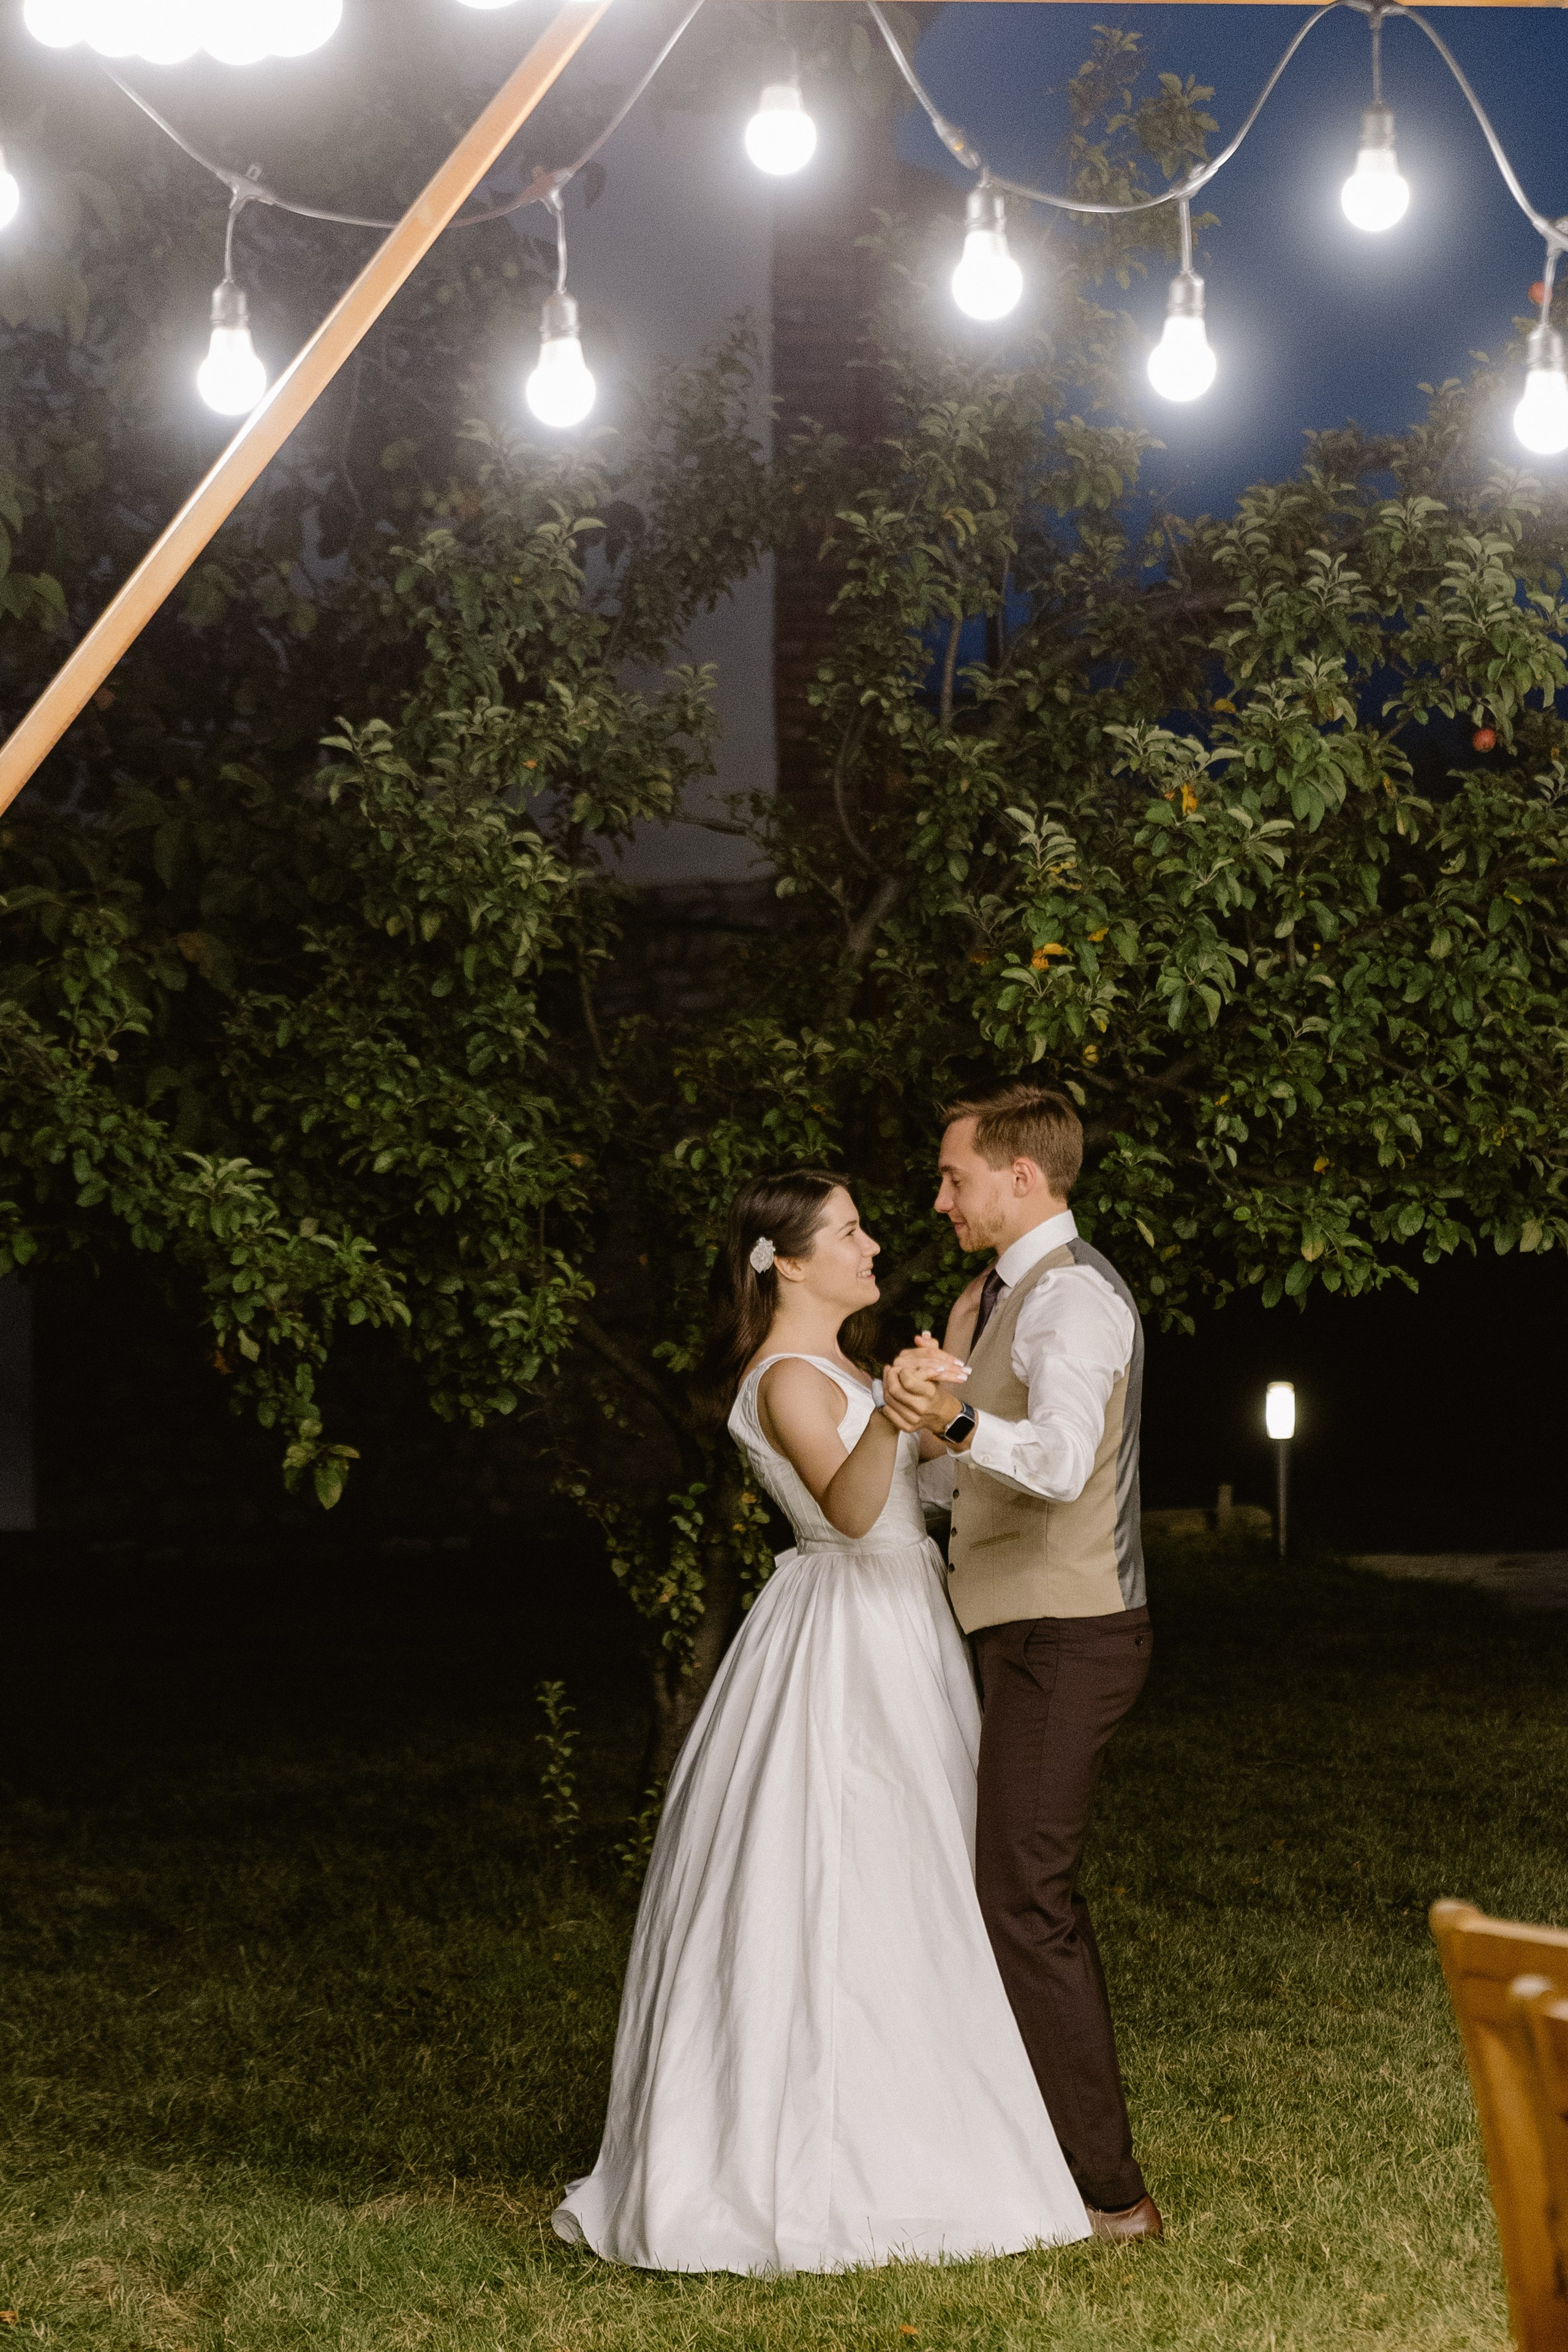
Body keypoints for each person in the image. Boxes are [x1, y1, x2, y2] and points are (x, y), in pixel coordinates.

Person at [552, 1167, 1090, 2275]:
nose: (873, 1244)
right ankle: (818, 2149)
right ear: (788, 1262)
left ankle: (934, 2108)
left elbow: (914, 1495)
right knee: (843, 1865)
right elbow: (848, 1512)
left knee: (928, 1866)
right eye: (849, 1232)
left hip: (906, 1618)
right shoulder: (785, 1376)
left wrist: (942, 1417)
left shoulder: (844, 1365)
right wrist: (898, 1420)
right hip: (843, 1629)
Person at [882, 1080, 1160, 2242]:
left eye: (955, 1177)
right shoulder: (983, 1298)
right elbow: (962, 1480)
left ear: (1021, 1177)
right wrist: (903, 1422)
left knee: (1024, 1897)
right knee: (1017, 1888)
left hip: (1071, 1630)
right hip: (1010, 1625)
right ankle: (1035, 2150)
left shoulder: (1074, 1300)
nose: (941, 1198)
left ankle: (1111, 2197)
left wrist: (946, 1420)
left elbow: (1050, 1462)